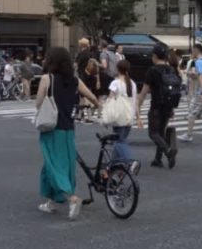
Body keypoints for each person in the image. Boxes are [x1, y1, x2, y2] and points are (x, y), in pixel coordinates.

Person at [36, 47, 100, 220]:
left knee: (53, 164)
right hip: (68, 128)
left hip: (52, 128)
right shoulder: (75, 80)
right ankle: (50, 201)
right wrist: (96, 106)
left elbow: (39, 103)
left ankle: (71, 198)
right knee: (59, 164)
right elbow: (92, 97)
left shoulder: (47, 79)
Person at [135, 44, 180, 169]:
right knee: (160, 132)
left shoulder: (152, 71)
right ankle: (158, 159)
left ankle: (168, 151)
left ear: (155, 56)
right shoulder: (171, 70)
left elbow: (144, 92)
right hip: (168, 106)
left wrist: (138, 107)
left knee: (153, 133)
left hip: (156, 105)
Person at [107, 59, 140, 174]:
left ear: (117, 69)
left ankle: (130, 162)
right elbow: (136, 101)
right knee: (120, 140)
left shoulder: (115, 83)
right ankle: (112, 166)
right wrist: (138, 117)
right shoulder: (132, 83)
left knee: (119, 141)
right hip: (129, 116)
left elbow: (110, 99)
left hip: (119, 117)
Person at [181, 43, 202, 143]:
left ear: (196, 50)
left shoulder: (198, 62)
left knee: (191, 112)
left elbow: (200, 76)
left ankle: (189, 135)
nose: (192, 53)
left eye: (193, 51)